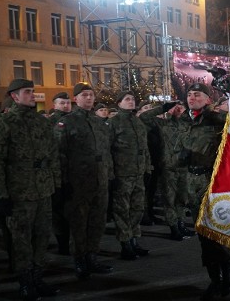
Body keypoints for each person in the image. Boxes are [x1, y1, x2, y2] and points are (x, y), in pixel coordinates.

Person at [0, 79, 61, 301]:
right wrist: (0, 194)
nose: (32, 95)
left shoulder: (41, 122)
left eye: (33, 92)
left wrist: (54, 184)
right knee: (21, 239)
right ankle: (25, 282)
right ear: (14, 96)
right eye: (27, 92)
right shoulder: (5, 123)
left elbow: (52, 154)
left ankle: (37, 277)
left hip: (42, 189)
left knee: (42, 237)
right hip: (19, 192)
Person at [180, 83, 230, 301]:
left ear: (207, 99)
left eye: (198, 94)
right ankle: (214, 279)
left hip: (212, 182)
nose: (192, 97)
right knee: (203, 236)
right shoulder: (184, 120)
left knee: (215, 233)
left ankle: (227, 270)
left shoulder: (217, 120)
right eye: (189, 94)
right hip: (192, 182)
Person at [55, 83, 114, 279]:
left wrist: (109, 176)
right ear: (76, 99)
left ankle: (92, 257)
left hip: (100, 180)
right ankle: (79, 259)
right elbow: (59, 155)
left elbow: (106, 152)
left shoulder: (99, 123)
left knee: (97, 221)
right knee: (79, 223)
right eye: (84, 95)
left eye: (91, 95)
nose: (89, 98)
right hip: (78, 182)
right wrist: (62, 182)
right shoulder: (67, 122)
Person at [139, 101, 194, 241]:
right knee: (169, 199)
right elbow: (144, 117)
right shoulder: (162, 124)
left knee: (182, 198)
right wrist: (164, 107)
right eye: (175, 107)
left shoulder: (187, 123)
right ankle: (174, 227)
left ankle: (181, 224)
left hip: (184, 167)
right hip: (168, 167)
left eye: (181, 107)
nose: (178, 109)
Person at [108, 91, 152, 260]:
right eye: (127, 99)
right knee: (122, 210)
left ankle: (134, 239)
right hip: (122, 173)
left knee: (137, 208)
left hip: (138, 172)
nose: (131, 101)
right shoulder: (114, 122)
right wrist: (111, 173)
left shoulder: (137, 122)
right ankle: (125, 243)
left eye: (133, 99)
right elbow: (108, 149)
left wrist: (147, 167)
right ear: (119, 103)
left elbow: (144, 148)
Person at [48, 92, 72, 255]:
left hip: (74, 173)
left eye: (67, 102)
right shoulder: (50, 123)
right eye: (62, 103)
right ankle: (63, 244)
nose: (65, 105)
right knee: (58, 212)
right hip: (57, 175)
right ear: (55, 105)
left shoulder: (75, 120)